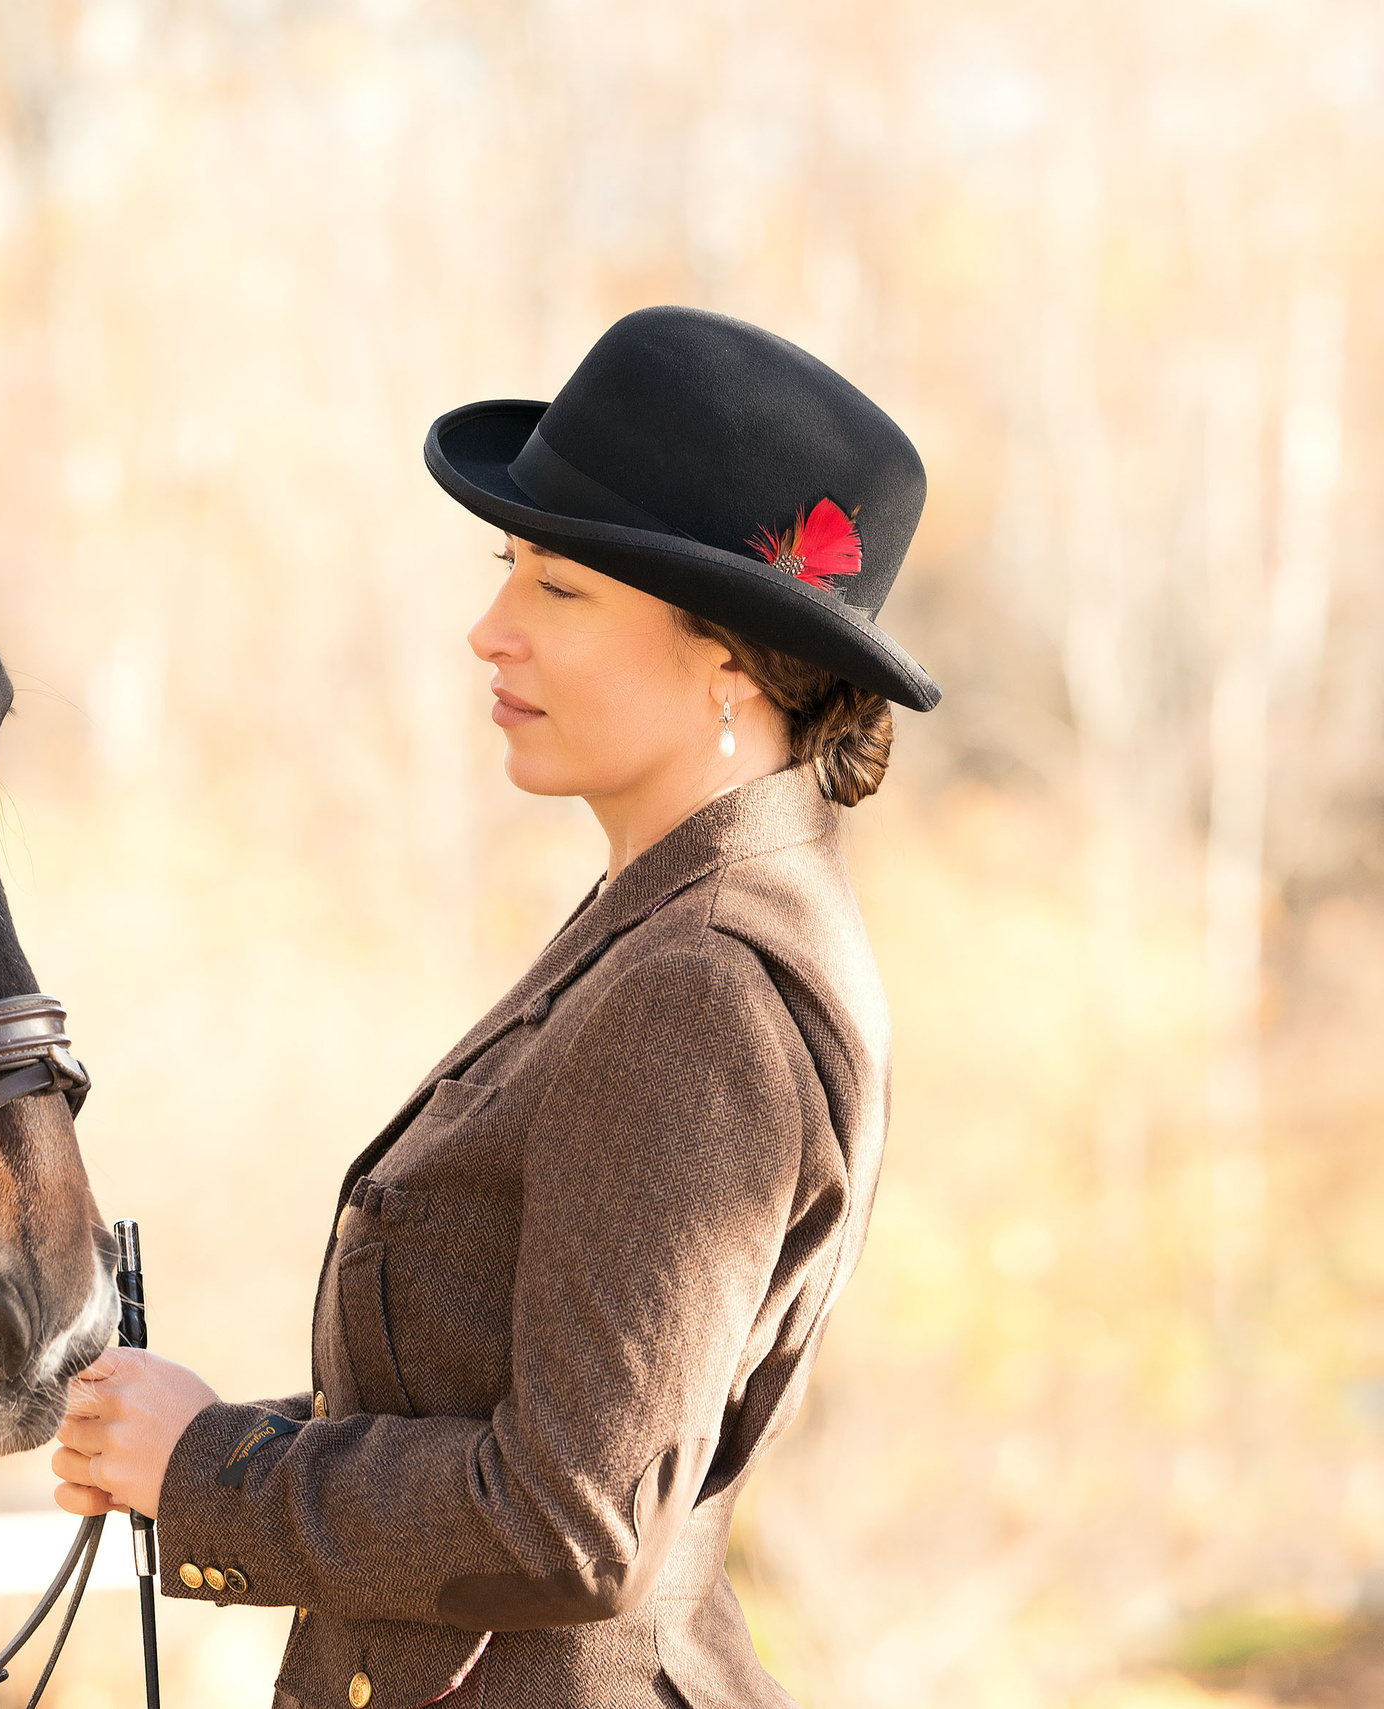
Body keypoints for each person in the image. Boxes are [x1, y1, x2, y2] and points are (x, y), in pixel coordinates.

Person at [51, 305, 941, 1709]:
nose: (491, 629)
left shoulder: (702, 985)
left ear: (733, 661)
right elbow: (513, 1419)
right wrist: (203, 1442)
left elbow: (573, 1515)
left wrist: (213, 1472)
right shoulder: (667, 920)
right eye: (505, 568)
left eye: (561, 590)